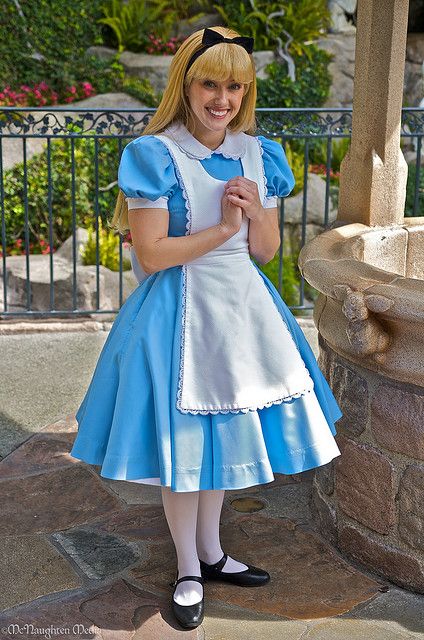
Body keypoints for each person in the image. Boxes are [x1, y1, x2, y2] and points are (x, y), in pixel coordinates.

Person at [69, 25, 343, 630]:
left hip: (244, 311)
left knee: (223, 442)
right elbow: (152, 256)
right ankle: (189, 567)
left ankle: (214, 553)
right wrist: (222, 228)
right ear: (186, 86)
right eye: (210, 85)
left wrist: (251, 211)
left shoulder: (258, 153)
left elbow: (266, 251)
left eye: (236, 88)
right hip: (179, 311)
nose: (223, 100)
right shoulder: (154, 154)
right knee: (186, 448)